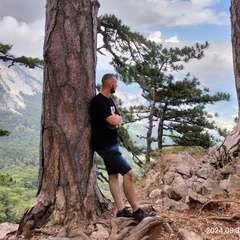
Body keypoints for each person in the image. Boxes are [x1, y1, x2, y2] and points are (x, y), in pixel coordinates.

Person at [90, 73, 145, 222]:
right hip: (105, 146)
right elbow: (114, 120)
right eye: (115, 83)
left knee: (113, 176)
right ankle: (136, 210)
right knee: (128, 173)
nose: (117, 85)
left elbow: (117, 119)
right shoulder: (98, 101)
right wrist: (115, 122)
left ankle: (121, 210)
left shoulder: (109, 101)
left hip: (111, 144)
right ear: (110, 84)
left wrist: (116, 122)